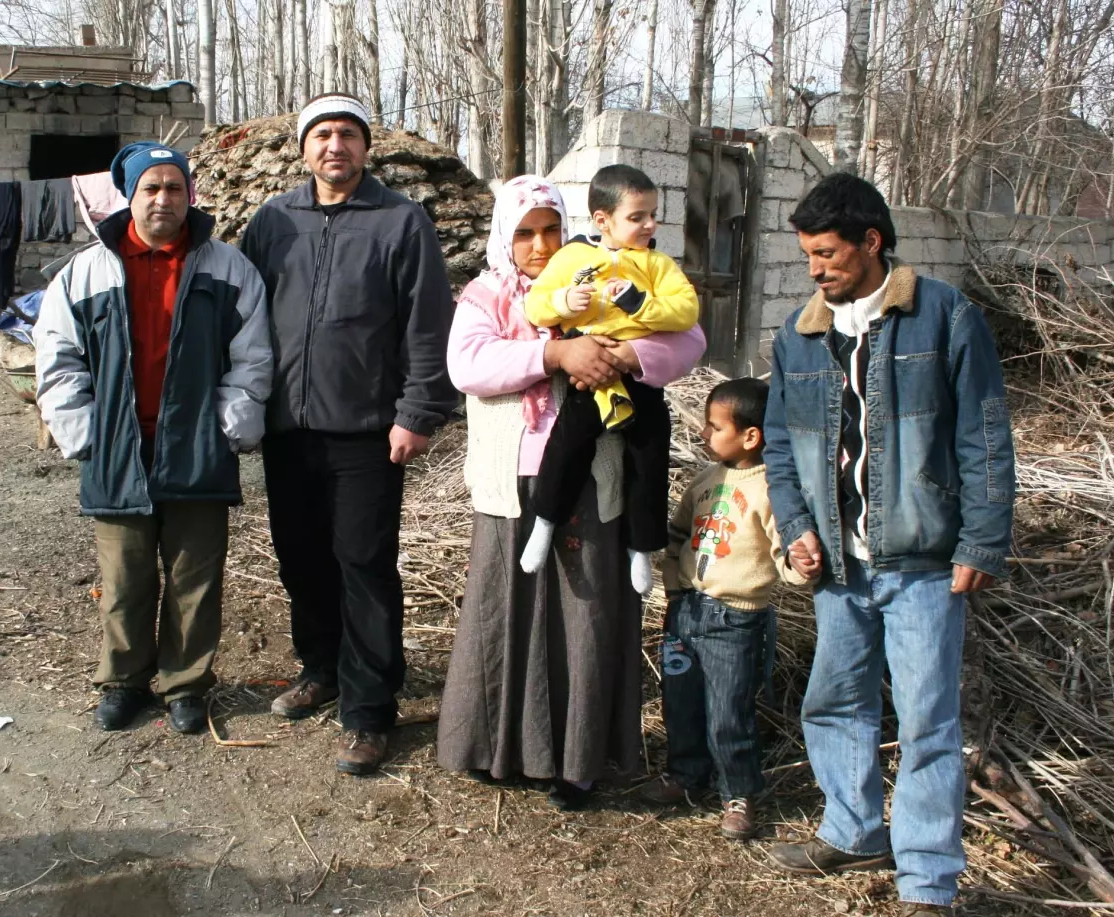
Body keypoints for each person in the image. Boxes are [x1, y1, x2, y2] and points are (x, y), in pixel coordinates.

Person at [761, 173, 1015, 917]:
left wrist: (984, 538)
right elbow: (780, 446)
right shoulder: (798, 335)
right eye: (808, 253)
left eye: (829, 252)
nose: (816, 267)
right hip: (839, 563)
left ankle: (929, 878)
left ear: (872, 242)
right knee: (835, 701)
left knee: (929, 717)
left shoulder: (944, 317)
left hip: (926, 562)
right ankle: (853, 828)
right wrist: (797, 527)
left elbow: (985, 437)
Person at [436, 176, 705, 810]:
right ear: (505, 235)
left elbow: (690, 340)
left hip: (596, 476)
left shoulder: (608, 272)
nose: (538, 245)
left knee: (585, 610)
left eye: (550, 229)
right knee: (505, 606)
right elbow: (467, 366)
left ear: (574, 227)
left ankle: (579, 761)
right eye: (524, 232)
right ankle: (497, 748)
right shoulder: (487, 295)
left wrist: (629, 357)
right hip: (512, 482)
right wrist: (556, 356)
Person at [240, 93, 457, 776]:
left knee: (362, 564)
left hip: (367, 431)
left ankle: (369, 710)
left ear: (367, 148)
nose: (335, 146)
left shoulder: (400, 221)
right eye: (323, 135)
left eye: (348, 135)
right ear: (304, 148)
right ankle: (321, 665)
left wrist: (417, 411)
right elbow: (246, 313)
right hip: (288, 427)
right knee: (300, 555)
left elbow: (428, 323)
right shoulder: (274, 220)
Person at [34, 141, 273, 735]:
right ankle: (123, 682)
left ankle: (186, 685)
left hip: (196, 447)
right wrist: (84, 428)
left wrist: (228, 423)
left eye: (174, 187)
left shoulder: (227, 267)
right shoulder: (87, 272)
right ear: (130, 195)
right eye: (151, 187)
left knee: (195, 578)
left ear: (189, 194)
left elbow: (253, 356)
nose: (163, 198)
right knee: (124, 578)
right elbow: (57, 356)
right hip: (120, 450)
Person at [641, 378, 812, 838]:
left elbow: (785, 553)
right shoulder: (704, 482)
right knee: (680, 702)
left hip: (735, 620)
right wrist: (674, 594)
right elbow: (678, 540)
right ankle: (684, 773)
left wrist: (802, 568)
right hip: (686, 613)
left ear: (750, 435)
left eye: (715, 427)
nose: (704, 435)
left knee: (728, 712)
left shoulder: (772, 490)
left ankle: (737, 792)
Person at [519, 165, 700, 593]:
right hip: (589, 376)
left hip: (638, 379)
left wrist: (641, 306)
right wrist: (564, 301)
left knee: (649, 457)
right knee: (567, 446)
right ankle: (543, 523)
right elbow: (537, 304)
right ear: (602, 220)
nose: (649, 224)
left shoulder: (656, 265)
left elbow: (686, 311)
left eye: (653, 214)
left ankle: (642, 548)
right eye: (637, 217)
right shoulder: (572, 259)